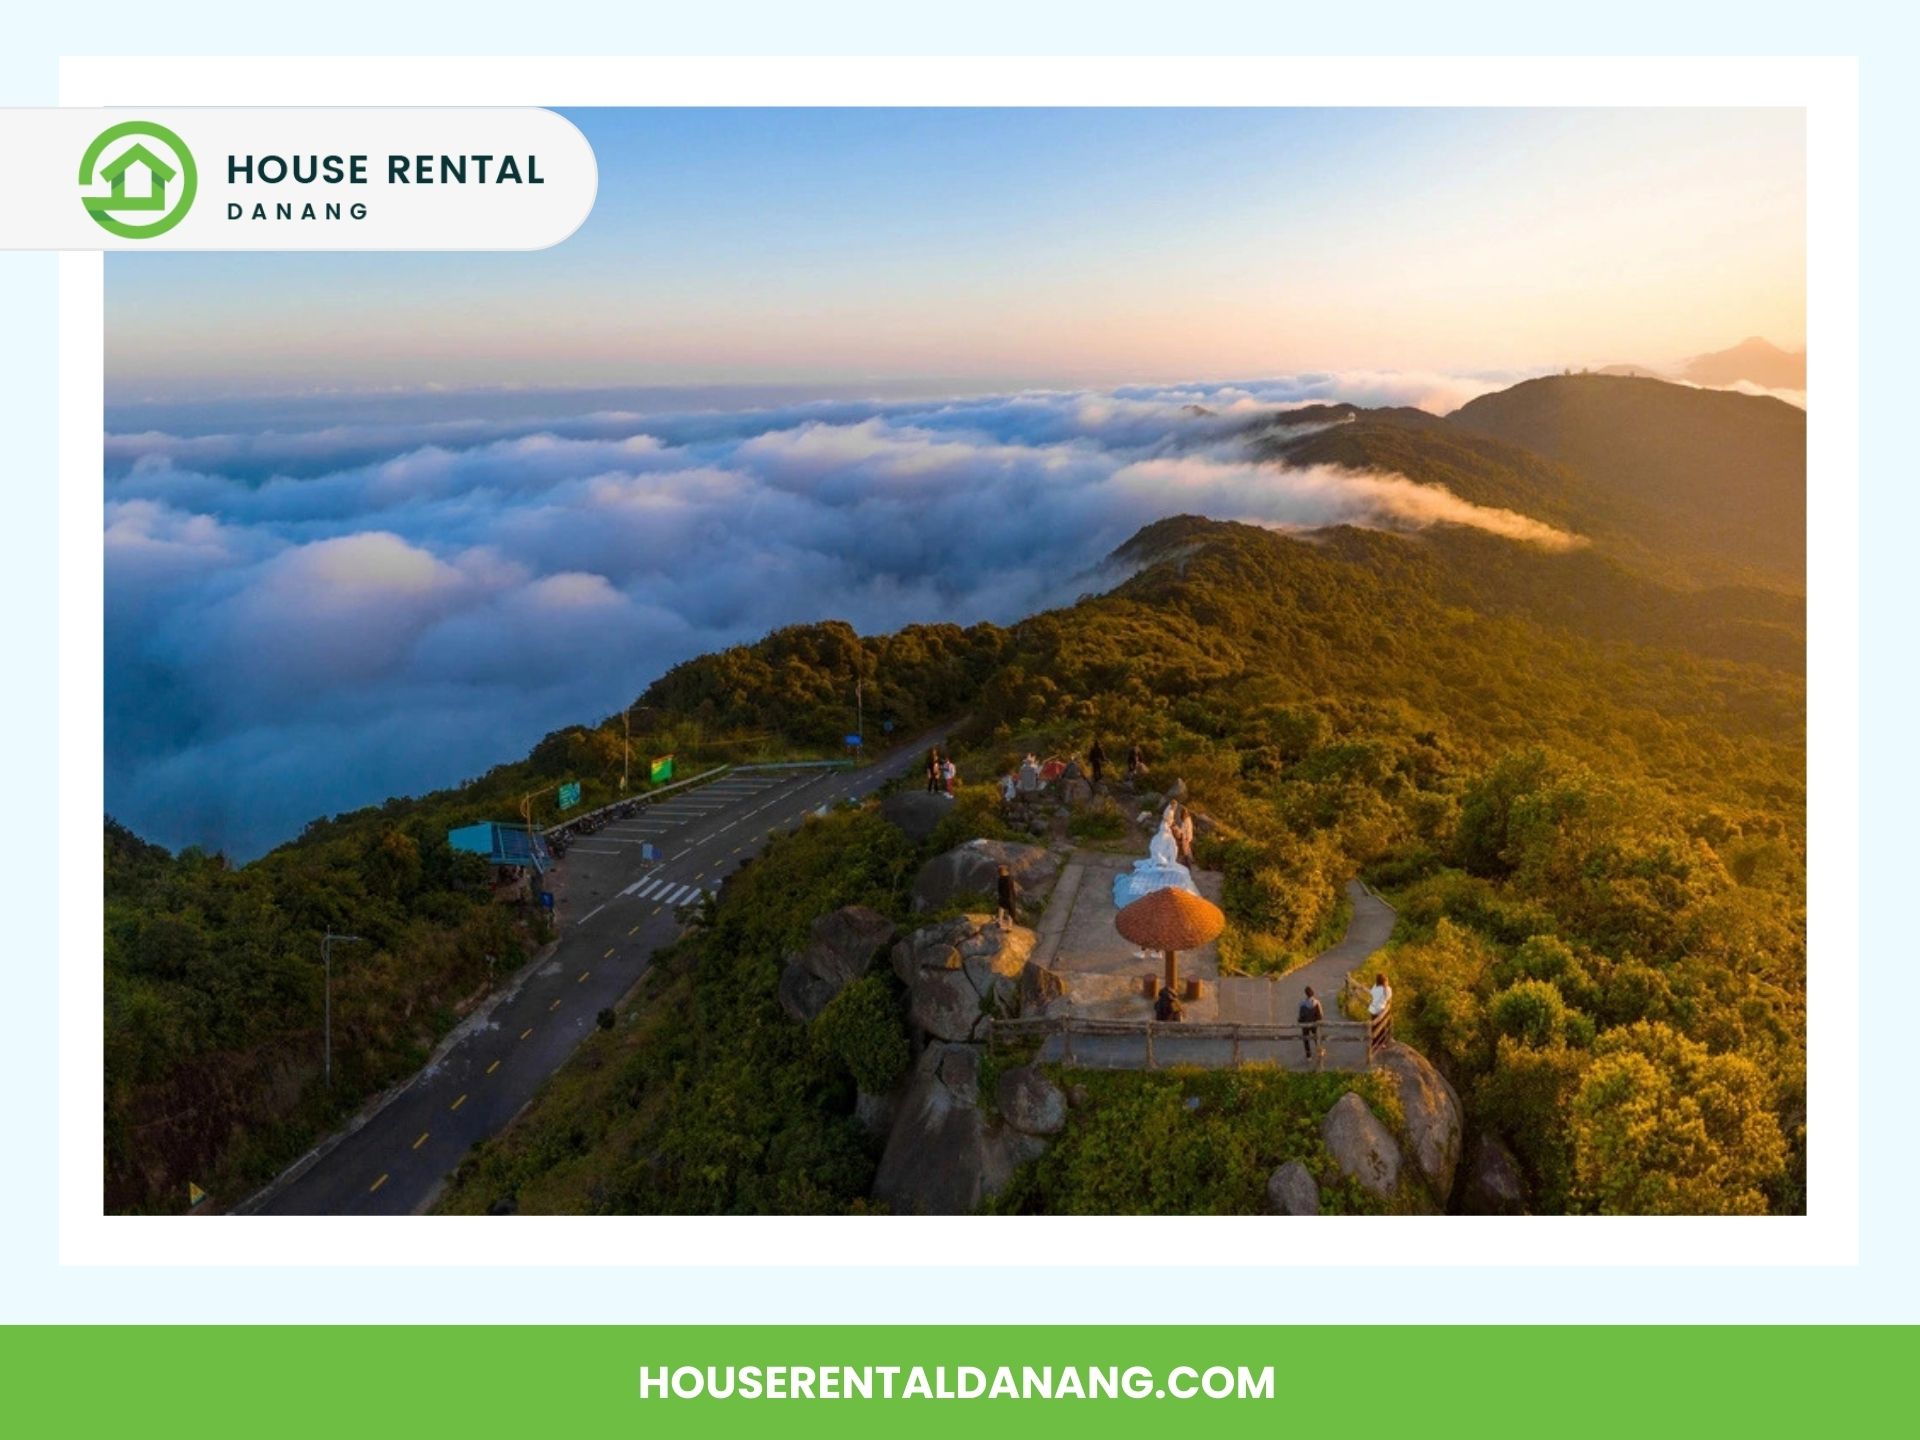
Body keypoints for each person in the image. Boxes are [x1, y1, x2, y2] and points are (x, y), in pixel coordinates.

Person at [1297, 985, 1324, 1062]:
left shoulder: (1302, 1003)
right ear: (1313, 993)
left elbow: (1300, 1016)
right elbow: (1321, 1015)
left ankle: (1308, 1056)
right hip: (1314, 1024)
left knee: (1306, 1040)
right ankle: (1320, 1052)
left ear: (1306, 994)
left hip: (1305, 1024)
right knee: (1317, 1038)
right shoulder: (1316, 1002)